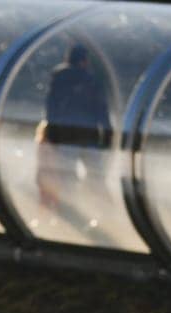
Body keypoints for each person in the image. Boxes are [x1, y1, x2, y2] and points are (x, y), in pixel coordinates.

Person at [36, 43, 112, 222]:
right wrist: (107, 133)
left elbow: (51, 109)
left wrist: (52, 134)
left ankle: (70, 214)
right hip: (89, 136)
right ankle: (105, 214)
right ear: (84, 61)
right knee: (96, 176)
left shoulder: (58, 79)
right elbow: (101, 109)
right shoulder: (92, 80)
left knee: (67, 177)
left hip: (65, 136)